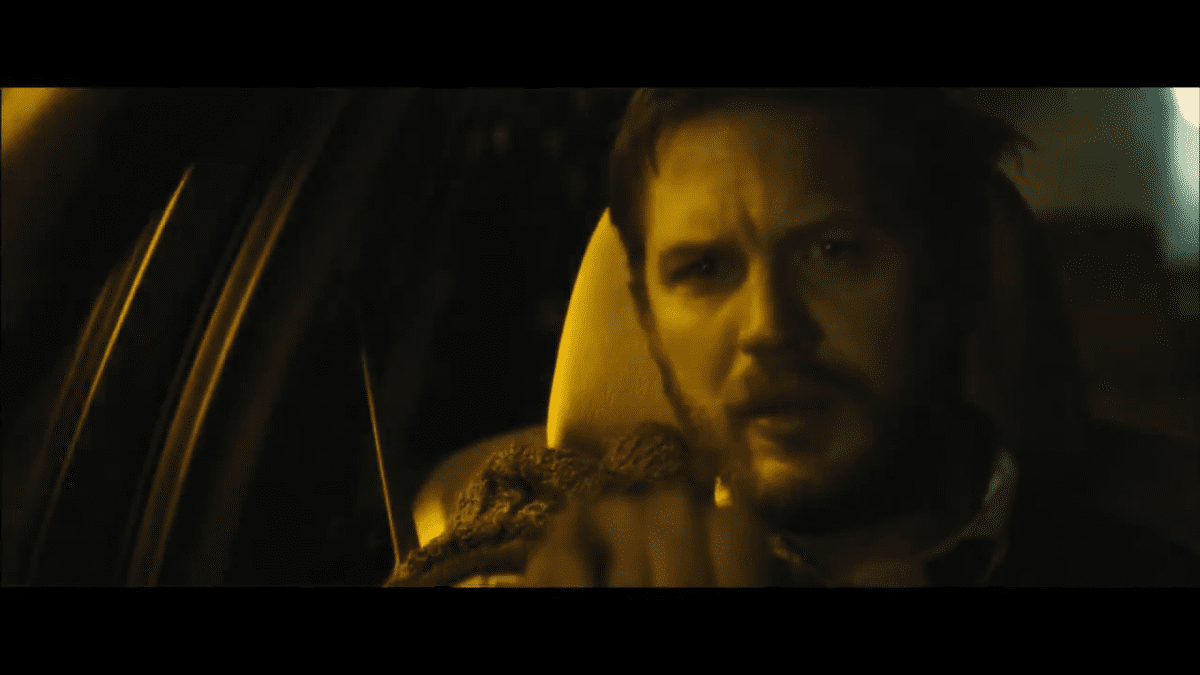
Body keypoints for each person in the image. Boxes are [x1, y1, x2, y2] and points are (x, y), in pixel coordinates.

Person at [385, 89, 1200, 587]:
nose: (769, 328)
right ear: (647, 318)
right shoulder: (571, 544)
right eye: (705, 270)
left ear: (953, 275)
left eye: (832, 252)